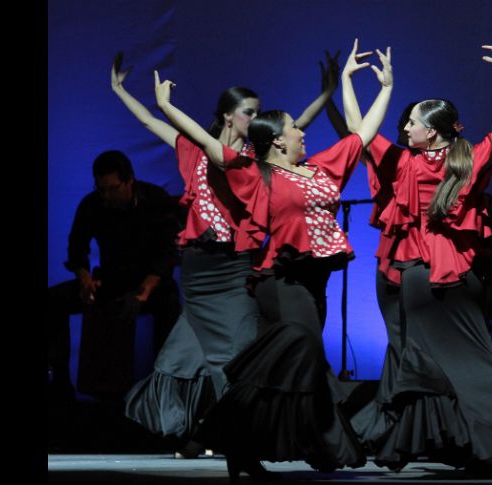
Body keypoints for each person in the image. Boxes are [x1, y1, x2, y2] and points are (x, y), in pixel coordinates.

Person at [343, 33, 492, 475]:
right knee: (472, 361)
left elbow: (357, 130)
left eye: (412, 124)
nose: (405, 129)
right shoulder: (469, 158)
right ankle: (477, 447)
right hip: (463, 276)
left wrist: (364, 85)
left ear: (431, 131)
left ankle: (471, 443)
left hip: (422, 276)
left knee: (434, 366)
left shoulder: (406, 162)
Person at [152, 38, 392, 479]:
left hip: (315, 283)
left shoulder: (320, 168)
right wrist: (166, 106)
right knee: (302, 357)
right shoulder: (253, 174)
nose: (303, 131)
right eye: (294, 128)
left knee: (285, 367)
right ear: (278, 141)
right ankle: (317, 444)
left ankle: (243, 443)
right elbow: (207, 143)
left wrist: (377, 87)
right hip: (281, 283)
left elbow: (362, 136)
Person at [111, 51, 339, 455]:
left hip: (235, 266)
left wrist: (326, 93)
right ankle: (203, 431)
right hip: (198, 269)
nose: (256, 118)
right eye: (249, 112)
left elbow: (297, 124)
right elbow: (149, 121)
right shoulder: (194, 149)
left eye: (258, 112)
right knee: (185, 355)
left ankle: (233, 434)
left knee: (234, 354)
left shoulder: (255, 159)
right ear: (228, 116)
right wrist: (119, 90)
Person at [47, 149, 181, 401]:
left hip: (149, 282)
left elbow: (167, 254)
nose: (107, 196)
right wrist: (84, 279)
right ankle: (60, 387)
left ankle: (163, 392)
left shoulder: (155, 199)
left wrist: (144, 292)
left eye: (113, 188)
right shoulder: (92, 203)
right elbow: (77, 249)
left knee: (170, 304)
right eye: (101, 189)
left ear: (129, 181)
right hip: (111, 279)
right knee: (53, 300)